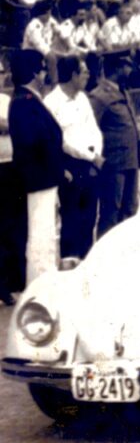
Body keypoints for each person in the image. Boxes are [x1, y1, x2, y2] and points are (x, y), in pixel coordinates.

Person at [8, 49, 63, 288]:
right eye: (41, 70)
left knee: (46, 235)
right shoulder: (25, 102)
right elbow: (37, 141)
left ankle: (44, 281)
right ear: (33, 73)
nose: (44, 75)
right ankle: (41, 285)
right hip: (38, 179)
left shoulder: (28, 100)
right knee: (41, 237)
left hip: (43, 178)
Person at [44, 57, 104, 259]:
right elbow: (62, 141)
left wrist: (96, 154)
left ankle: (86, 264)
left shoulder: (83, 98)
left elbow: (94, 129)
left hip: (91, 165)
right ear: (73, 75)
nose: (88, 75)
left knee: (89, 220)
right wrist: (91, 156)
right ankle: (70, 266)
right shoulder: (51, 103)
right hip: (70, 167)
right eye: (84, 71)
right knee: (71, 222)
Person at [90, 50, 139, 236]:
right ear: (117, 68)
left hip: (130, 161)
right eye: (127, 66)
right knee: (111, 212)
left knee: (130, 210)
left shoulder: (122, 91)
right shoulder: (99, 96)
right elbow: (90, 129)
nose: (130, 70)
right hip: (113, 164)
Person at [0, 68, 22, 305]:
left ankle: (11, 283)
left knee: (11, 226)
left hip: (11, 166)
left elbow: (15, 125)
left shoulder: (7, 100)